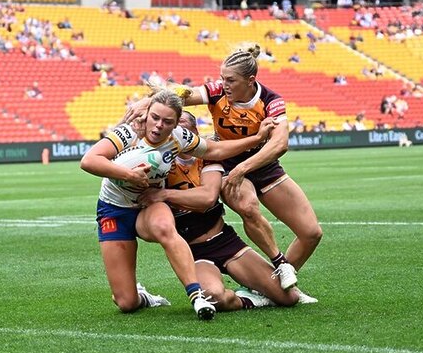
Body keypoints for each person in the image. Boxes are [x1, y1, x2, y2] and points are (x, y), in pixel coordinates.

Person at [124, 44, 321, 303]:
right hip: (226, 161)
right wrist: (146, 101)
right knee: (248, 206)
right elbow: (181, 96)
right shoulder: (217, 92)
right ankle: (277, 264)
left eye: (230, 80)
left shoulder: (272, 102)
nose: (223, 84)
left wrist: (244, 168)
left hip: (261, 165)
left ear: (251, 80)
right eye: (222, 78)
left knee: (311, 233)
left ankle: (270, 283)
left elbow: (279, 144)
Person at [80, 89, 275, 320]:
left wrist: (257, 139)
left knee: (165, 227)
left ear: (175, 125)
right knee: (126, 302)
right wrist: (129, 175)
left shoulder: (179, 137)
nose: (158, 126)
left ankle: (196, 296)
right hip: (114, 209)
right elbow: (89, 161)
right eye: (155, 118)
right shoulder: (128, 133)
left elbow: (215, 149)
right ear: (148, 113)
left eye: (167, 121)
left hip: (148, 205)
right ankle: (143, 297)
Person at [139, 111, 299, 311]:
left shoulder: (206, 157)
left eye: (186, 129)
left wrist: (164, 195)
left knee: (289, 298)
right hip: (193, 251)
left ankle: (255, 287)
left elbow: (207, 198)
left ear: (195, 133)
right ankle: (246, 299)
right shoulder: (159, 163)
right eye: (176, 130)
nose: (181, 135)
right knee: (215, 296)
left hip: (225, 240)